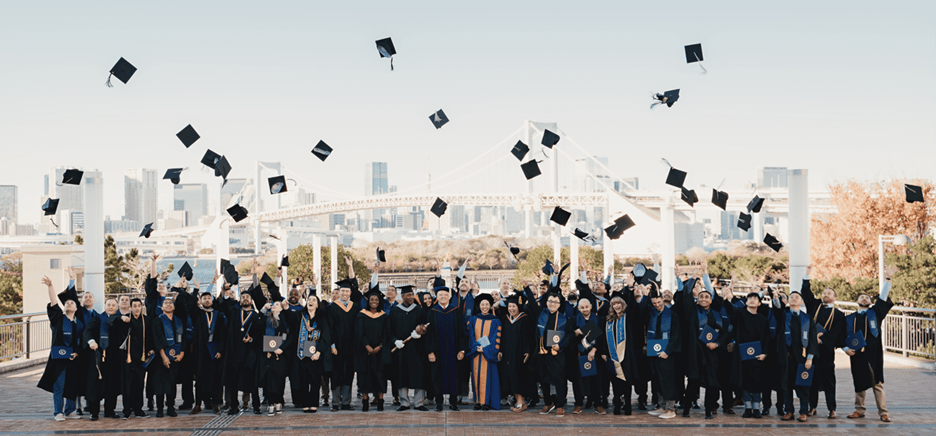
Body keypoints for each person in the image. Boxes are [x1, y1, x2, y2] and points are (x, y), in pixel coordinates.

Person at [673, 271, 730, 419]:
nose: (704, 299)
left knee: (712, 383)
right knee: (693, 382)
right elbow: (685, 295)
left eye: (707, 297)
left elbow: (724, 333)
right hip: (695, 351)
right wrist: (692, 279)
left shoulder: (716, 315)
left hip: (712, 353)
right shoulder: (692, 311)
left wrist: (717, 344)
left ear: (711, 300)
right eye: (701, 297)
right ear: (697, 300)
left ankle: (709, 410)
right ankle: (686, 408)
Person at [844, 281, 895, 422]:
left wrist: (888, 280)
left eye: (867, 297)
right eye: (861, 297)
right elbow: (842, 336)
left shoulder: (875, 313)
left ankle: (883, 412)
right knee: (859, 381)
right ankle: (859, 410)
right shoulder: (849, 318)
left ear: (871, 301)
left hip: (874, 353)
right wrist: (845, 349)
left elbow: (883, 297)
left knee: (877, 382)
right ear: (856, 301)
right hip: (856, 354)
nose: (864, 298)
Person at [37, 276, 83, 421]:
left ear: (76, 308)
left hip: (73, 358)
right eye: (67, 302)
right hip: (59, 358)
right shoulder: (58, 319)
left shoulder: (80, 324)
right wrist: (51, 286)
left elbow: (81, 342)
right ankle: (58, 412)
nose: (69, 303)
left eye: (72, 302)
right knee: (59, 385)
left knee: (72, 384)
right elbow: (54, 302)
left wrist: (77, 353)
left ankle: (70, 410)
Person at [799, 271, 845, 419]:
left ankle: (832, 408)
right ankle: (812, 407)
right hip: (811, 349)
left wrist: (823, 339)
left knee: (829, 380)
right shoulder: (815, 306)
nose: (826, 295)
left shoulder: (839, 314)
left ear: (834, 297)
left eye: (829, 293)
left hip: (826, 351)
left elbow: (837, 331)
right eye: (825, 292)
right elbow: (806, 293)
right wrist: (806, 275)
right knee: (811, 377)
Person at [775, 291, 818, 422]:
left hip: (802, 356)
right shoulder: (784, 315)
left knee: (803, 384)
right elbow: (777, 309)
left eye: (797, 297)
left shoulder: (808, 318)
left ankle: (803, 411)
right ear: (787, 301)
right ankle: (789, 411)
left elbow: (812, 339)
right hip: (787, 357)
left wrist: (810, 358)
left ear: (802, 302)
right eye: (791, 297)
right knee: (786, 385)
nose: (793, 299)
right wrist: (776, 298)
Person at [220, 285, 264, 415]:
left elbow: (260, 333)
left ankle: (256, 405)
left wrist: (251, 339)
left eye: (247, 297)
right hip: (234, 353)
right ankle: (234, 406)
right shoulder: (234, 312)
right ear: (240, 300)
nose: (245, 299)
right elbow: (224, 305)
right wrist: (226, 292)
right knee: (233, 381)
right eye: (243, 297)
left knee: (252, 381)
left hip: (249, 354)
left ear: (251, 301)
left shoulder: (256, 316)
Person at [327, 256, 362, 411]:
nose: (345, 293)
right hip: (337, 347)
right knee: (336, 374)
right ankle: (335, 402)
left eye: (347, 291)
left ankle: (346, 402)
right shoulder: (332, 307)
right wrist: (332, 345)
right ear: (338, 292)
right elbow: (329, 327)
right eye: (342, 291)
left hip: (351, 347)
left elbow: (355, 284)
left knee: (348, 374)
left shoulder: (355, 307)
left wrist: (350, 267)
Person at [188, 275, 226, 415]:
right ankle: (198, 404)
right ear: (201, 301)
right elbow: (191, 305)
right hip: (200, 352)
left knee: (215, 378)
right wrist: (196, 289)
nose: (207, 300)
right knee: (199, 379)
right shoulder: (197, 314)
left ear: (212, 300)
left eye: (209, 298)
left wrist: (220, 350)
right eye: (204, 298)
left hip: (214, 351)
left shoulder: (218, 315)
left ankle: (216, 403)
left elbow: (222, 334)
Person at [426, 281, 467, 411]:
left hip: (454, 351)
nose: (443, 297)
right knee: (437, 375)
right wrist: (430, 351)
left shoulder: (456, 311)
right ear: (436, 297)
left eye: (445, 295)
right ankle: (439, 402)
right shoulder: (432, 312)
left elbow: (462, 332)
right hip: (437, 352)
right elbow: (428, 334)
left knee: (454, 374)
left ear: (449, 296)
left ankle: (453, 402)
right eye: (440, 295)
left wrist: (462, 349)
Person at [727, 292, 769, 418]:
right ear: (746, 302)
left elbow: (767, 338)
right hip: (742, 355)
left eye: (755, 299)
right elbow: (731, 311)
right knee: (744, 382)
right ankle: (748, 408)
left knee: (756, 381)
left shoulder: (763, 320)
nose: (752, 300)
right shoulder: (740, 315)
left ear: (759, 303)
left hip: (757, 356)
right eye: (749, 298)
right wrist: (727, 299)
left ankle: (757, 408)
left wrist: (764, 353)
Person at [388, 285, 429, 411]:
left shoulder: (419, 310)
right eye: (408, 295)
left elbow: (425, 328)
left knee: (419, 374)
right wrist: (395, 341)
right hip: (401, 350)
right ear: (402, 296)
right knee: (401, 374)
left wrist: (420, 334)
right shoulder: (395, 311)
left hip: (416, 349)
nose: (411, 297)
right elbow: (389, 331)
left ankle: (419, 403)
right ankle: (404, 402)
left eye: (412, 295)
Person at [642, 287, 681, 419]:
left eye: (659, 302)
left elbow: (676, 335)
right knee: (657, 380)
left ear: (663, 300)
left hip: (667, 354)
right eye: (654, 303)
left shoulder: (672, 314)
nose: (657, 305)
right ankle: (661, 406)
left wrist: (668, 351)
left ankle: (670, 409)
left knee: (667, 380)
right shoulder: (652, 313)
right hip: (654, 352)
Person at [599, 295, 641, 416]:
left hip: (626, 356)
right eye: (614, 304)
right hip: (612, 356)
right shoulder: (608, 321)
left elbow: (634, 307)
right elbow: (603, 338)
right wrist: (603, 352)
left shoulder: (628, 318)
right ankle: (616, 404)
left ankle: (628, 405)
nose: (617, 306)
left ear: (623, 305)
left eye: (619, 303)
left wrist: (632, 290)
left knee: (627, 381)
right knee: (615, 382)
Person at [292, 291, 331, 414]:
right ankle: (305, 402)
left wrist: (319, 352)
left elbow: (326, 336)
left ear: (318, 305)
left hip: (316, 355)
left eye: (314, 300)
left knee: (315, 380)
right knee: (303, 380)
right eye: (309, 299)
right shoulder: (299, 316)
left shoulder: (322, 318)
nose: (311, 301)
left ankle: (313, 403)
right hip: (301, 354)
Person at [151, 296, 191, 418]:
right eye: (165, 303)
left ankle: (170, 407)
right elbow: (158, 339)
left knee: (172, 383)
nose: (168, 305)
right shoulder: (158, 321)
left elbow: (184, 338)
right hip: (161, 357)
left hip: (176, 357)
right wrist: (164, 356)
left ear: (174, 307)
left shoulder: (179, 321)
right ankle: (159, 409)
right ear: (162, 307)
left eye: (170, 303)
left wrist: (182, 353)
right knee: (161, 383)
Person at [114, 297, 153, 419]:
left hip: (141, 357)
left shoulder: (147, 320)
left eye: (138, 306)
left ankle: (138, 409)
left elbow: (151, 336)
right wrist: (120, 317)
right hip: (127, 358)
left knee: (139, 383)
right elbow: (111, 320)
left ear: (142, 307)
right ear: (130, 307)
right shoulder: (125, 319)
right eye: (134, 306)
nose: (136, 308)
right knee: (127, 384)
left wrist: (151, 348)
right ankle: (127, 409)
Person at [355, 285, 390, 411]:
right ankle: (365, 401)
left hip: (380, 352)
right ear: (368, 301)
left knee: (379, 376)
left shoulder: (384, 316)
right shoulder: (361, 315)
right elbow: (359, 333)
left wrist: (380, 346)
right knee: (364, 375)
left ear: (379, 301)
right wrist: (368, 346)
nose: (374, 302)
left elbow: (387, 334)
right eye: (371, 300)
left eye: (376, 299)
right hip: (364, 352)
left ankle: (380, 400)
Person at [83, 296, 118, 421]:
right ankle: (94, 412)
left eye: (113, 305)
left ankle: (109, 411)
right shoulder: (98, 319)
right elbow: (87, 331)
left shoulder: (119, 320)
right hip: (98, 358)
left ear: (117, 308)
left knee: (112, 385)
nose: (111, 307)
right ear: (105, 306)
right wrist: (91, 341)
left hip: (113, 359)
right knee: (95, 384)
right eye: (108, 305)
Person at [500, 291, 534, 413]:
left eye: (514, 306)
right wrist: (500, 350)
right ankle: (518, 400)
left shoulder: (524, 319)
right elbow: (502, 336)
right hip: (508, 353)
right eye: (509, 306)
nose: (511, 309)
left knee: (518, 376)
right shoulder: (505, 319)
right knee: (509, 376)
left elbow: (529, 337)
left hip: (520, 354)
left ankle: (521, 401)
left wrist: (527, 351)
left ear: (518, 307)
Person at [466, 293, 502, 410]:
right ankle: (478, 401)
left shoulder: (496, 321)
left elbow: (495, 338)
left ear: (490, 306)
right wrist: (476, 347)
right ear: (479, 306)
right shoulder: (473, 319)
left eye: (487, 304)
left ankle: (486, 402)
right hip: (476, 353)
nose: (485, 307)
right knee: (476, 376)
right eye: (482, 304)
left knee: (488, 378)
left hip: (488, 354)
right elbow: (470, 336)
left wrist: (485, 349)